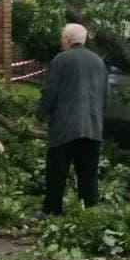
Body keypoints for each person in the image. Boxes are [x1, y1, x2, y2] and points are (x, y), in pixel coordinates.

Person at [36, 23, 108, 217]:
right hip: (92, 127)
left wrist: (40, 113)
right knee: (88, 174)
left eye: (62, 37)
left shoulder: (61, 59)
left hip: (65, 127)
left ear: (68, 39)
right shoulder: (98, 62)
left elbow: (51, 90)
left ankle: (52, 210)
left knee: (57, 172)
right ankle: (88, 213)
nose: (61, 40)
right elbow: (105, 96)